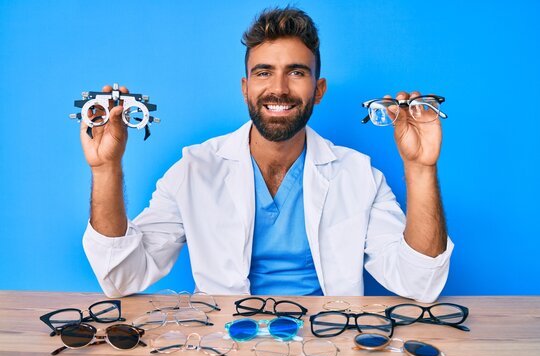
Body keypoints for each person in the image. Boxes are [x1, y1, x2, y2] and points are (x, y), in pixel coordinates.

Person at [82, 7, 453, 302]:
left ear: (318, 89)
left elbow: (420, 282)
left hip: (327, 339)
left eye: (296, 73)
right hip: (225, 341)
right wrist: (105, 168)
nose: (278, 89)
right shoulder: (194, 170)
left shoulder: (358, 175)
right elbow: (122, 276)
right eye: (263, 72)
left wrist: (421, 168)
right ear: (245, 88)